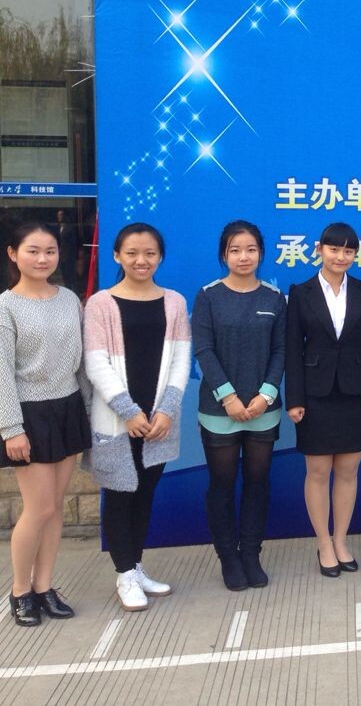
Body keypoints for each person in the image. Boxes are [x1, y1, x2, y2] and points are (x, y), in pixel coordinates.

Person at [85, 223, 190, 611]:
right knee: (119, 495)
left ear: (160, 257)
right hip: (117, 421)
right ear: (117, 255)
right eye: (132, 253)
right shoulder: (100, 304)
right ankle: (124, 573)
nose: (141, 260)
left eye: (149, 253)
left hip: (159, 422)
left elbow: (181, 358)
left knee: (145, 494)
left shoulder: (174, 302)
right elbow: (96, 363)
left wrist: (167, 410)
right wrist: (129, 412)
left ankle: (136, 566)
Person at [0, 222, 90, 626]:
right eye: (33, 250)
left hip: (68, 406)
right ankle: (20, 591)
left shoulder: (69, 299)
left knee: (55, 508)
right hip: (29, 413)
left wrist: (88, 409)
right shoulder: (5, 306)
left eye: (50, 251)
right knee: (38, 508)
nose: (42, 259)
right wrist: (11, 428)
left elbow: (82, 362)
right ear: (13, 254)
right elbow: (2, 372)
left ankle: (44, 587)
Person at [286, 222, 361, 577]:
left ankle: (341, 540)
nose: (341, 257)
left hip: (355, 393)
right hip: (314, 395)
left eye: (348, 251)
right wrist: (294, 398)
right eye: (334, 249)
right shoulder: (301, 292)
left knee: (348, 471)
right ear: (320, 250)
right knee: (317, 472)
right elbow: (292, 349)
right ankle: (323, 542)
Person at [192, 221, 286, 590]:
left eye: (250, 249)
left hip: (264, 409)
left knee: (258, 483)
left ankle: (250, 554)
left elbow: (280, 350)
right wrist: (228, 397)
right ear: (224, 255)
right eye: (235, 250)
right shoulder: (208, 296)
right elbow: (204, 350)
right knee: (222, 484)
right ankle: (228, 558)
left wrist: (266, 394)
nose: (243, 257)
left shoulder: (274, 298)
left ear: (261, 253)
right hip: (220, 411)